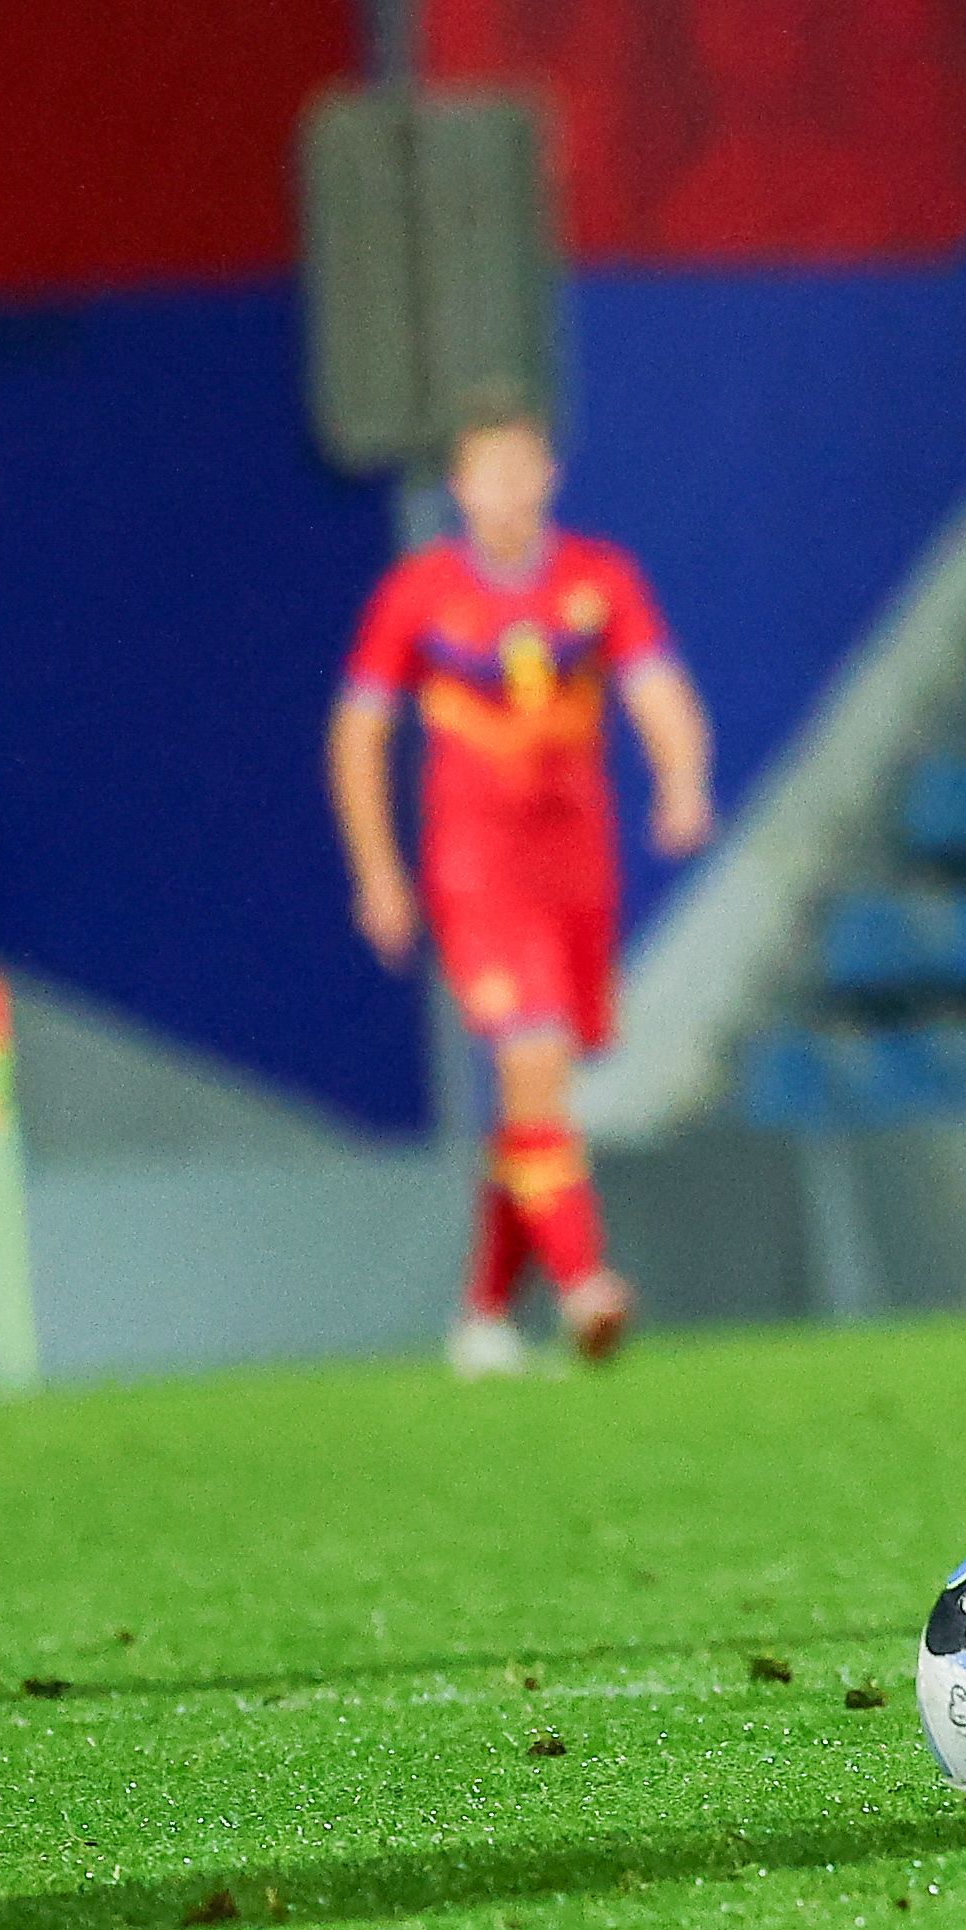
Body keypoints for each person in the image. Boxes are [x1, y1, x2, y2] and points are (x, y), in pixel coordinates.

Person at [330, 389, 713, 1376]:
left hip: (575, 870)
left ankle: (483, 1312)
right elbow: (359, 732)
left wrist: (682, 778)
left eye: (520, 468)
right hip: (475, 868)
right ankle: (587, 1283)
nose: (504, 489)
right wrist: (377, 866)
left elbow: (658, 687)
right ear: (458, 486)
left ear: (548, 475)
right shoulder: (417, 596)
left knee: (533, 1092)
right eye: (485, 471)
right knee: (530, 1057)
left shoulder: (599, 579)